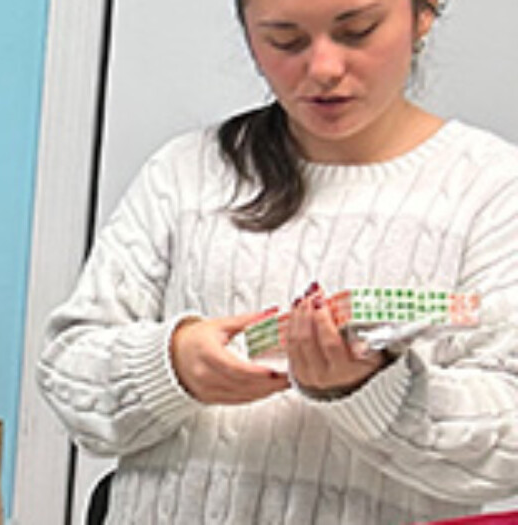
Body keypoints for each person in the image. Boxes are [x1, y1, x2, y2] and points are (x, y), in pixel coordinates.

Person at [39, 0, 518, 522]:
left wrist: (370, 392)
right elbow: (69, 376)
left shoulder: (492, 191)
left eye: (357, 31)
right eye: (285, 40)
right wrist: (173, 365)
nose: (324, 69)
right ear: (247, 35)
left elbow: (505, 451)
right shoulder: (188, 173)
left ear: (423, 15)